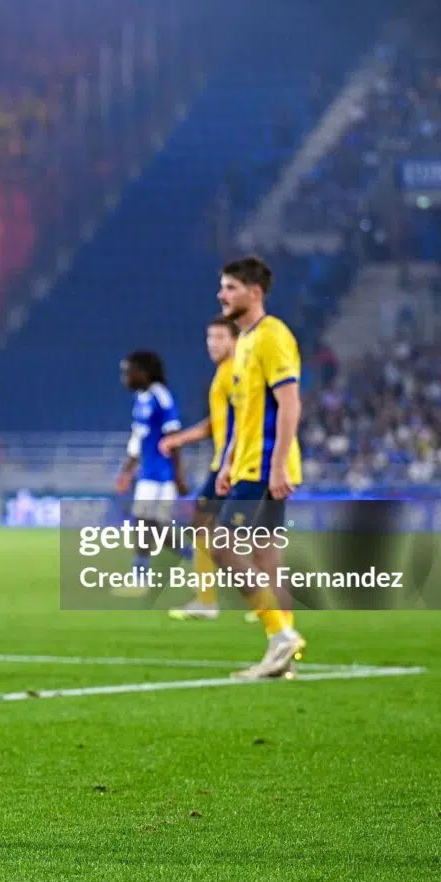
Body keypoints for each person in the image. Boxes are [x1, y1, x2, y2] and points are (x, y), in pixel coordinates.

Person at [212, 257, 306, 679]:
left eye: (230, 287)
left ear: (255, 292)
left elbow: (289, 403)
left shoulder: (273, 336)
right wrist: (228, 458)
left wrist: (279, 464)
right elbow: (244, 410)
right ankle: (281, 653)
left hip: (265, 465)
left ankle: (280, 634)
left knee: (221, 545)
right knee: (267, 558)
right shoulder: (246, 341)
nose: (222, 294)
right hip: (248, 462)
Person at [160, 315, 239, 620]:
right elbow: (216, 424)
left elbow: (246, 421)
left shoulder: (236, 374)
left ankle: (263, 604)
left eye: (220, 337)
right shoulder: (223, 373)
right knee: (206, 528)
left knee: (234, 536)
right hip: (225, 463)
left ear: (235, 340)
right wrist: (180, 439)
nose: (212, 344)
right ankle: (208, 601)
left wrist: (231, 461)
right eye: (210, 337)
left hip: (234, 465)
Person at [115, 351, 183, 578]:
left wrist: (179, 475)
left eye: (128, 372)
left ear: (143, 373)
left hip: (163, 474)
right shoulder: (140, 399)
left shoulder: (161, 397)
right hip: (147, 473)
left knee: (155, 526)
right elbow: (138, 438)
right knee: (144, 523)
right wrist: (127, 471)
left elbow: (173, 437)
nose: (125, 377)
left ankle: (193, 556)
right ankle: (140, 571)